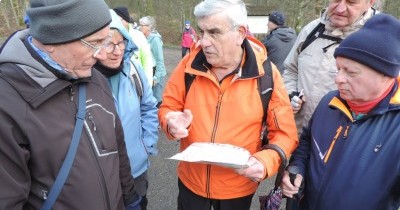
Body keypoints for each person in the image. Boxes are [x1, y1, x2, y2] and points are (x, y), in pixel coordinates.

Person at [0, 0, 141, 209]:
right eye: (95, 43)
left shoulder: (96, 78)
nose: (103, 54)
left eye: (106, 41)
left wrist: (130, 199)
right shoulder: (7, 101)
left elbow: (117, 148)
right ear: (51, 39)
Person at [158, 0, 298, 209]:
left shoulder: (266, 75)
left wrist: (266, 162)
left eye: (214, 33)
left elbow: (285, 134)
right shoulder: (188, 65)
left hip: (237, 191)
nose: (204, 42)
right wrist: (170, 121)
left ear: (240, 33)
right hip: (190, 184)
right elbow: (168, 106)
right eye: (202, 32)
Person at [281, 14, 400, 210]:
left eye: (350, 72)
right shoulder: (330, 101)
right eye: (338, 69)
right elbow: (307, 143)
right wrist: (296, 168)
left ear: (386, 75)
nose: (338, 79)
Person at [94, 9, 159, 210]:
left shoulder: (133, 70)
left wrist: (146, 144)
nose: (117, 50)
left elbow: (148, 107)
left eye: (121, 42)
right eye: (108, 43)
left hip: (136, 170)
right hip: (99, 177)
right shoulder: (82, 78)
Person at [283, 0, 376, 136]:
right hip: (297, 135)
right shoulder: (311, 30)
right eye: (336, 0)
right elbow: (291, 70)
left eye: (351, 2)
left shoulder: (378, 40)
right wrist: (291, 94)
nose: (340, 9)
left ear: (370, 3)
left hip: (341, 141)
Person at [113, 6, 155, 85]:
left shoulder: (139, 36)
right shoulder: (111, 35)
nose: (115, 22)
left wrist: (147, 85)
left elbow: (147, 63)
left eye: (118, 19)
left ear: (126, 20)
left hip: (137, 81)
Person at [138, 16, 166, 107]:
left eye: (143, 25)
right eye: (140, 25)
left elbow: (160, 60)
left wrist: (156, 77)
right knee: (147, 98)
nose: (140, 27)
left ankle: (158, 119)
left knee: (156, 99)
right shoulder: (141, 37)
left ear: (149, 27)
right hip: (146, 70)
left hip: (155, 72)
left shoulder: (155, 40)